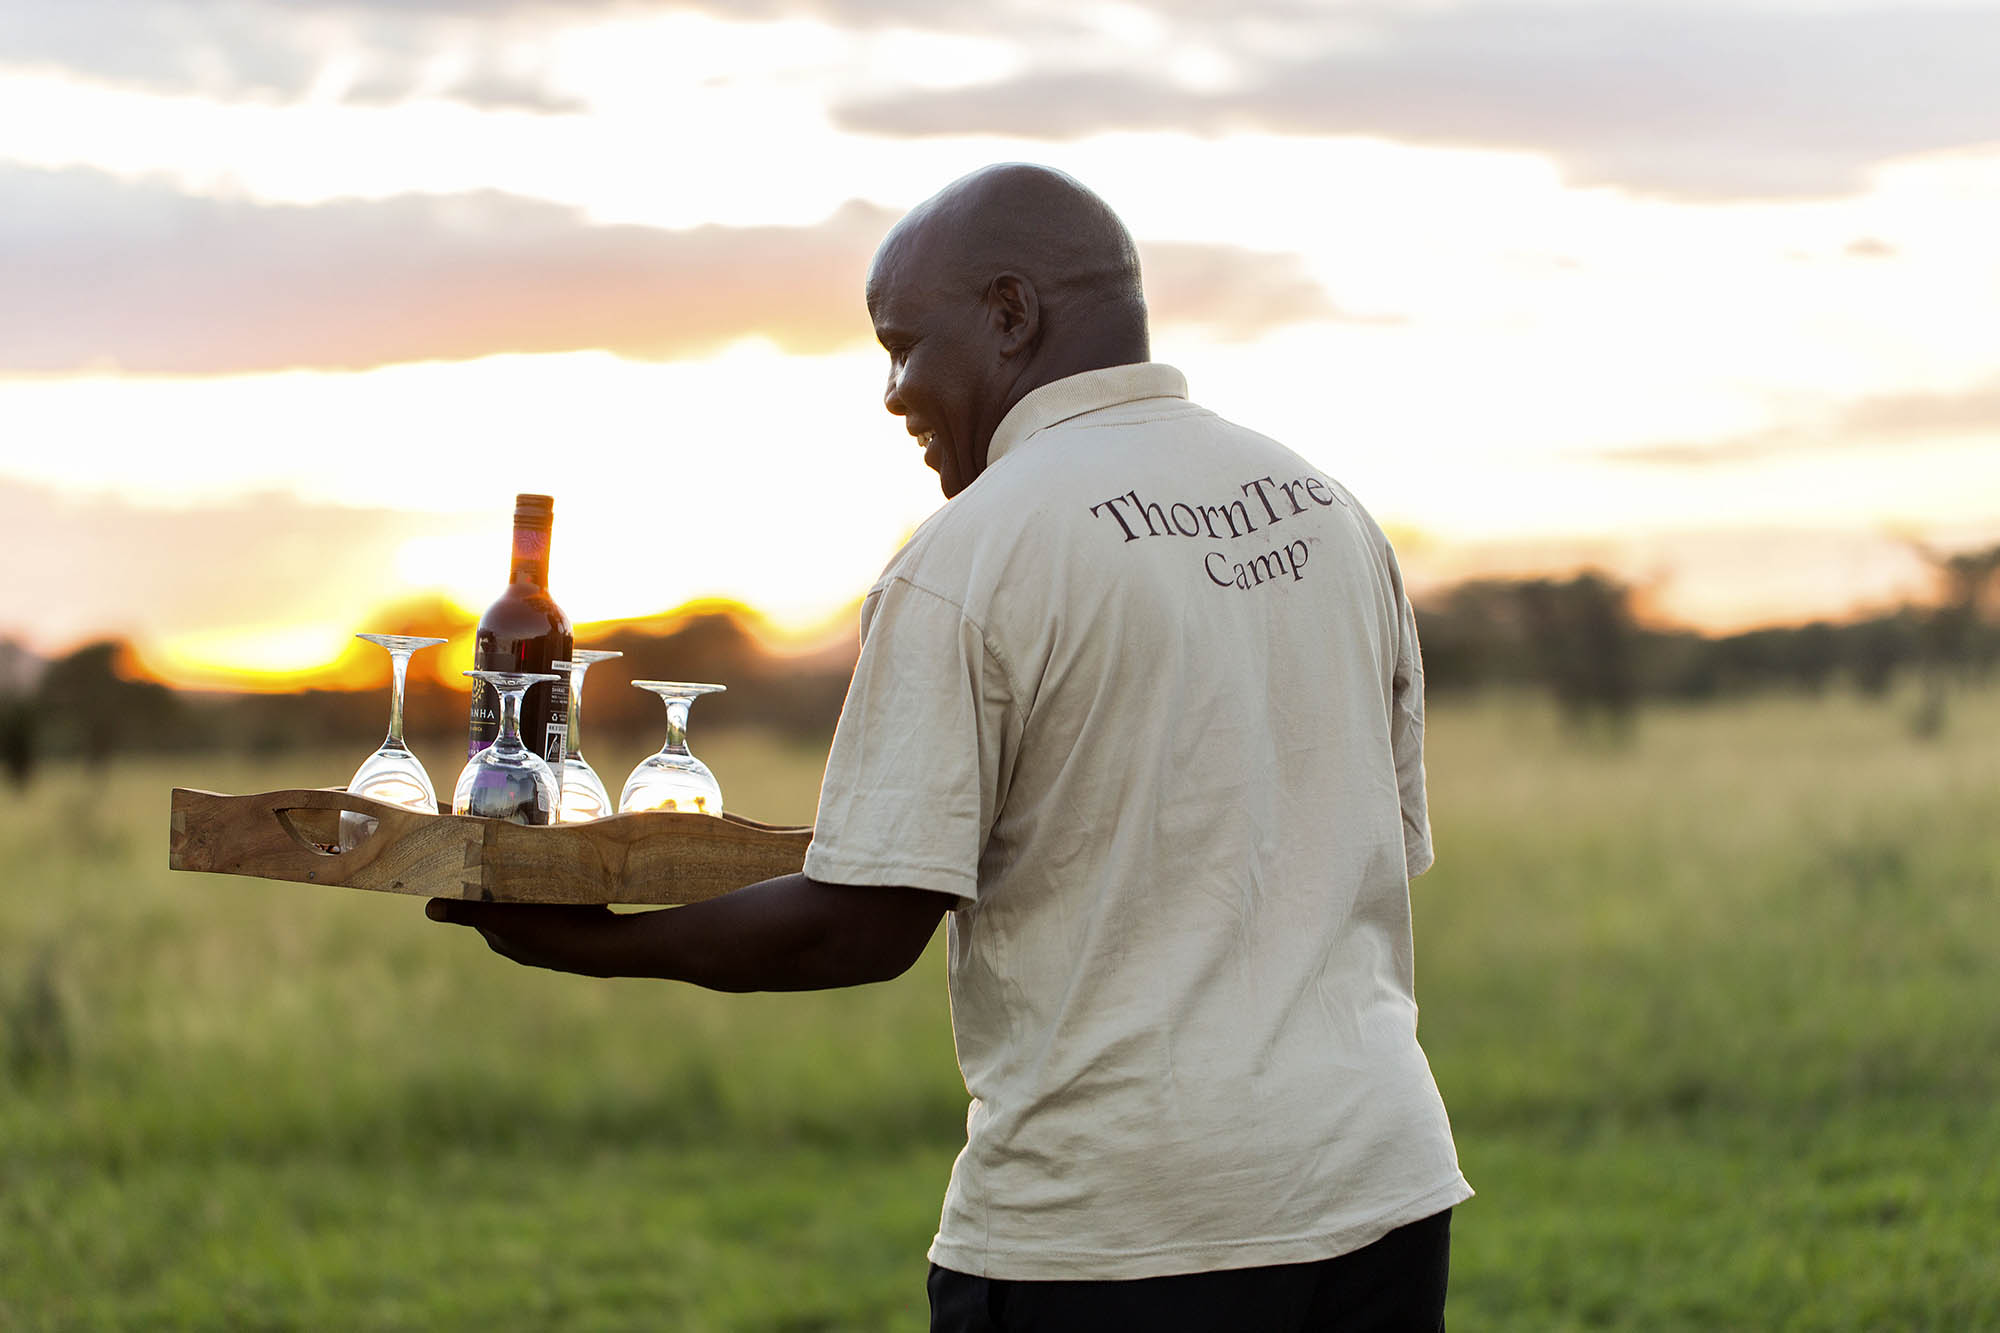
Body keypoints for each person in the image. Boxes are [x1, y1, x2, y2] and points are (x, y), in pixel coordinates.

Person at [429, 163, 1471, 1331]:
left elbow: (861, 924)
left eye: (903, 345)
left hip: (1118, 1233)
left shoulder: (971, 554)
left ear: (1010, 312)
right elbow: (1373, 852)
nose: (892, 394)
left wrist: (585, 944)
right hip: (1379, 1191)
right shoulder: (1329, 513)